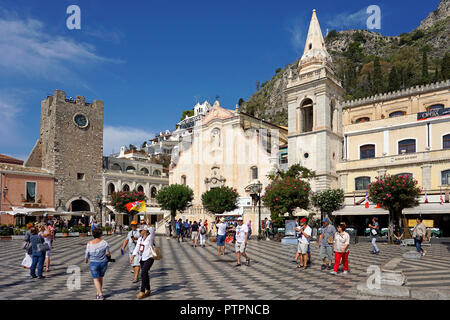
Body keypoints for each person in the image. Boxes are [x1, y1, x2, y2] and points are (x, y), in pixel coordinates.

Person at [85, 228, 111, 300]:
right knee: (100, 278)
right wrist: (109, 256)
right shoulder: (105, 243)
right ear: (100, 234)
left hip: (93, 263)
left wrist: (86, 259)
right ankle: (98, 292)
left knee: (96, 279)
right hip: (103, 263)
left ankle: (100, 294)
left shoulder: (89, 243)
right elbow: (107, 253)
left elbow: (87, 253)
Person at [131, 225, 155, 299]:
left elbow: (152, 231)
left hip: (149, 257)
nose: (140, 232)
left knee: (143, 272)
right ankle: (148, 289)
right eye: (139, 230)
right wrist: (133, 255)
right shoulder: (140, 239)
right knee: (145, 274)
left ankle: (142, 291)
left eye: (141, 230)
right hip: (142, 258)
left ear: (145, 230)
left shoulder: (150, 237)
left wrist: (148, 225)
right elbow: (137, 247)